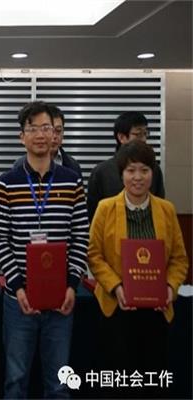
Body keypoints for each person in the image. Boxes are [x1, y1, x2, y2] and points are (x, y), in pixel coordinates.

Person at [0, 101, 89, 398]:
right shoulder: (7, 183)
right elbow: (0, 237)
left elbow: (80, 235)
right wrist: (18, 287)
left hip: (61, 301)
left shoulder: (72, 181)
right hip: (18, 301)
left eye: (46, 127)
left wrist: (71, 284)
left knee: (59, 383)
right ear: (22, 136)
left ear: (55, 134)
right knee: (15, 380)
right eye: (33, 128)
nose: (41, 134)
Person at [88, 140, 188, 397]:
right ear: (121, 174)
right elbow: (94, 255)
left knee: (152, 381)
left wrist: (170, 287)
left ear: (153, 173)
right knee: (119, 382)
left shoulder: (166, 210)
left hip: (157, 311)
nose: (138, 177)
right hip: (116, 309)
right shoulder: (105, 208)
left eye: (144, 170)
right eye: (131, 170)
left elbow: (179, 259)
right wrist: (116, 287)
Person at [87, 111, 165, 221]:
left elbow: (159, 207)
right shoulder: (101, 172)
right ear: (121, 137)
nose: (143, 139)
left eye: (145, 133)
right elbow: (92, 216)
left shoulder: (153, 169)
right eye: (138, 134)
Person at [13, 104, 82, 177]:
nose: (54, 136)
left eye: (58, 130)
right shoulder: (19, 164)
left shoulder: (73, 165)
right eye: (47, 130)